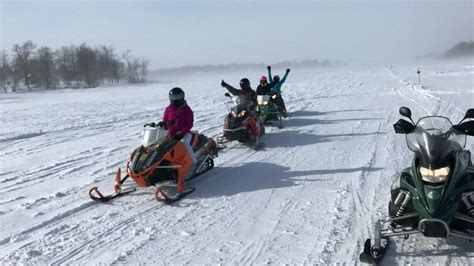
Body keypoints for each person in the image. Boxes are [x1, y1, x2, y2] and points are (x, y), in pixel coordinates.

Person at [162, 87, 197, 165]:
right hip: (171, 134)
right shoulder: (169, 109)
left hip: (184, 134)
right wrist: (162, 124)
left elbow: (190, 124)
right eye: (174, 97)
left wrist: (182, 132)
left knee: (184, 143)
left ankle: (194, 162)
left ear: (182, 97)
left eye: (178, 97)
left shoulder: (187, 109)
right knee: (161, 145)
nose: (176, 99)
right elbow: (165, 121)